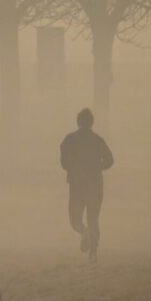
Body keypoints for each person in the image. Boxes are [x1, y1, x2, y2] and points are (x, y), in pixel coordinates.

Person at [60, 108, 113, 262]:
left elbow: (64, 162)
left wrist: (74, 168)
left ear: (78, 122)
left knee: (75, 219)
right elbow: (110, 159)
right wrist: (98, 167)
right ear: (92, 123)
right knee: (93, 218)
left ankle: (84, 232)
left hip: (77, 185)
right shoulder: (98, 140)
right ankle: (93, 253)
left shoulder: (69, 140)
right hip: (95, 184)